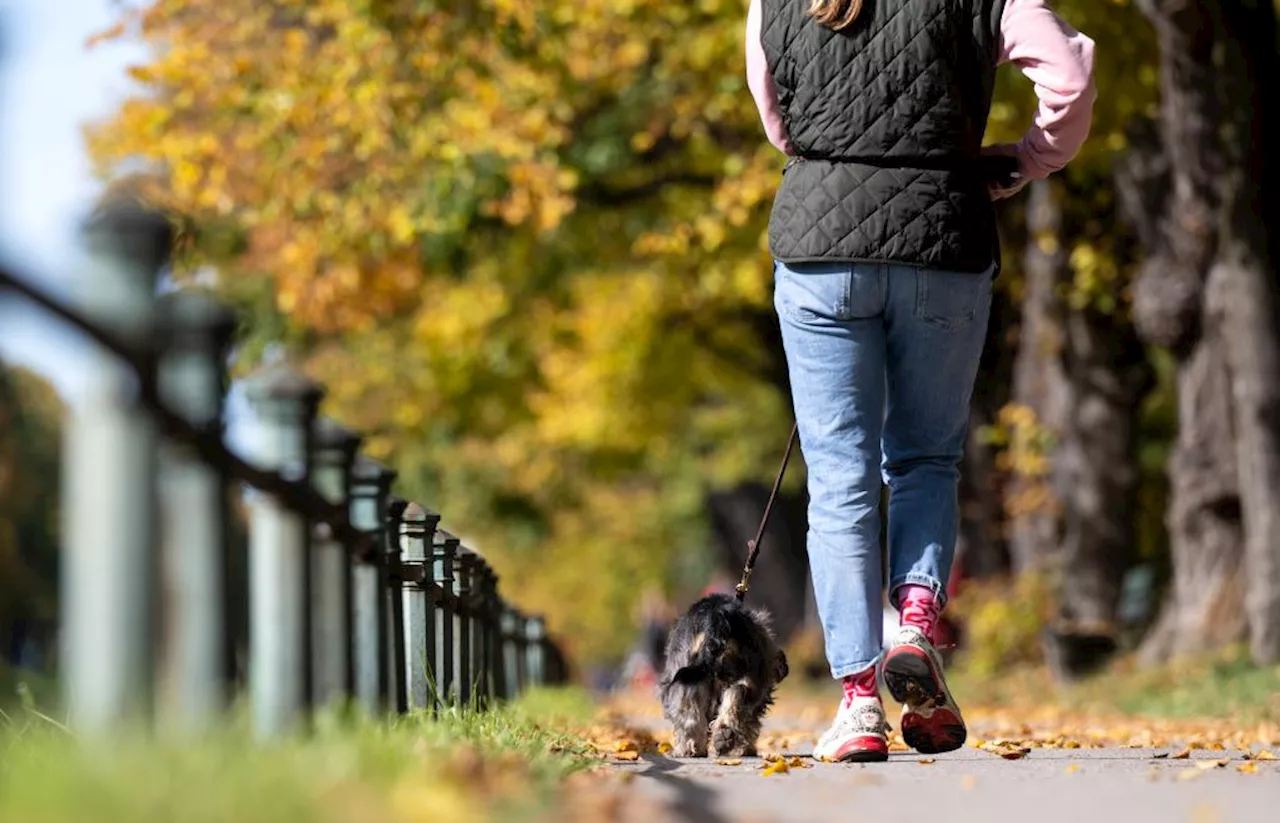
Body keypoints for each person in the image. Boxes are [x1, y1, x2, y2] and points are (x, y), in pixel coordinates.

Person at [746, 0, 1094, 762]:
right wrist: (1027, 158)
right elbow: (1067, 81)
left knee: (839, 480)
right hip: (944, 236)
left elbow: (778, 122)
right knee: (925, 460)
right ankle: (914, 620)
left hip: (820, 247)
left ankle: (859, 702)